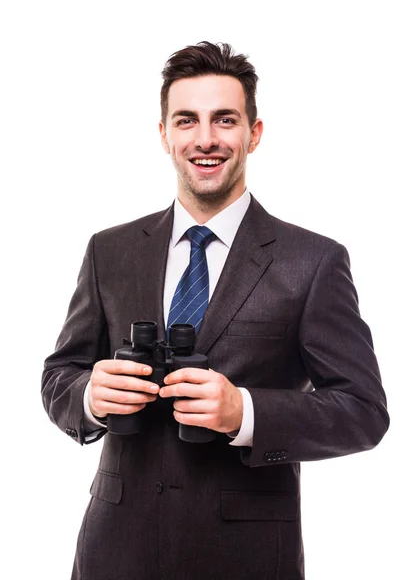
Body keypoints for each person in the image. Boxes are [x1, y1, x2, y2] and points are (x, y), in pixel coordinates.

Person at [42, 41, 389, 580]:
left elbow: (364, 412)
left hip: (246, 559)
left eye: (224, 120)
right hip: (114, 553)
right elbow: (58, 375)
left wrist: (245, 412)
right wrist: (88, 396)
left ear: (254, 133)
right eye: (187, 121)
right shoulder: (108, 250)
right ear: (164, 135)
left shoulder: (314, 261)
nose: (205, 139)